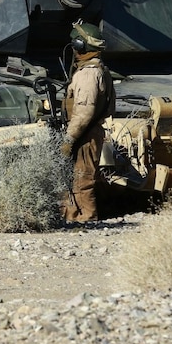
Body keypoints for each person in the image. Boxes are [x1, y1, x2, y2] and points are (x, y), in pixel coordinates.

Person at [59, 21, 115, 223]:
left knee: (82, 179)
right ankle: (73, 217)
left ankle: (86, 219)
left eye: (75, 44)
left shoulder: (88, 74)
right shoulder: (98, 69)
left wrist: (69, 139)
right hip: (88, 132)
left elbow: (83, 112)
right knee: (77, 177)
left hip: (84, 134)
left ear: (81, 46)